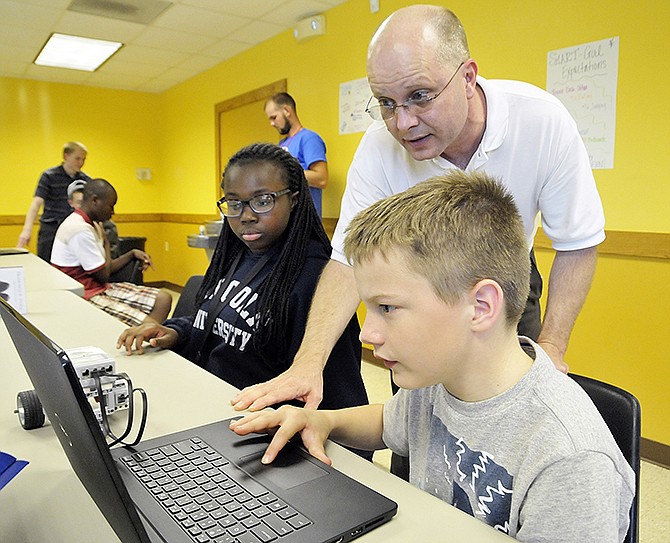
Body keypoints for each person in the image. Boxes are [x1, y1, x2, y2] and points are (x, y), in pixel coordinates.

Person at [231, 4, 605, 416]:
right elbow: (347, 261)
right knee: (417, 418)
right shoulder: (379, 146)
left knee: (508, 411)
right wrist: (307, 364)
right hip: (416, 287)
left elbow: (577, 241)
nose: (403, 123)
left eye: (419, 97)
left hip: (506, 279)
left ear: (467, 77)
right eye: (386, 103)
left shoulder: (541, 120)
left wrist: (552, 346)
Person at [230, 172, 635, 542]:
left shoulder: (572, 463)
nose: (368, 333)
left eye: (387, 308)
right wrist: (323, 420)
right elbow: (390, 422)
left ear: (480, 306)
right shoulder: (442, 378)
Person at [116, 143, 368, 415]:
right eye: (234, 203)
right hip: (209, 405)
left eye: (263, 201)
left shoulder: (315, 280)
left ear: (293, 199)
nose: (246, 216)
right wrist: (176, 332)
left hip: (260, 431)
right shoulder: (236, 254)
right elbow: (220, 324)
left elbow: (340, 403)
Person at [51, 178, 172, 326]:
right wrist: (106, 242)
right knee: (150, 324)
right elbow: (104, 275)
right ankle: (144, 337)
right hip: (86, 294)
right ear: (95, 200)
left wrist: (132, 253)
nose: (113, 212)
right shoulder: (79, 229)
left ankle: (146, 338)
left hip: (100, 287)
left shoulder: (91, 224)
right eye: (110, 206)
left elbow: (104, 268)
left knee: (164, 299)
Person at [18, 141, 92, 262]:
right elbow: (36, 203)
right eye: (77, 158)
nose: (81, 163)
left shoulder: (85, 180)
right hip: (51, 228)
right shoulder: (49, 176)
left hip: (75, 228)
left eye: (83, 159)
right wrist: (27, 230)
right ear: (66, 156)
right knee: (45, 263)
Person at [264, 93, 328, 217]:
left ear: (287, 110)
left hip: (305, 219)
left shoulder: (309, 138)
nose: (272, 123)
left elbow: (322, 179)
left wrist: (284, 173)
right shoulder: (281, 144)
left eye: (274, 117)